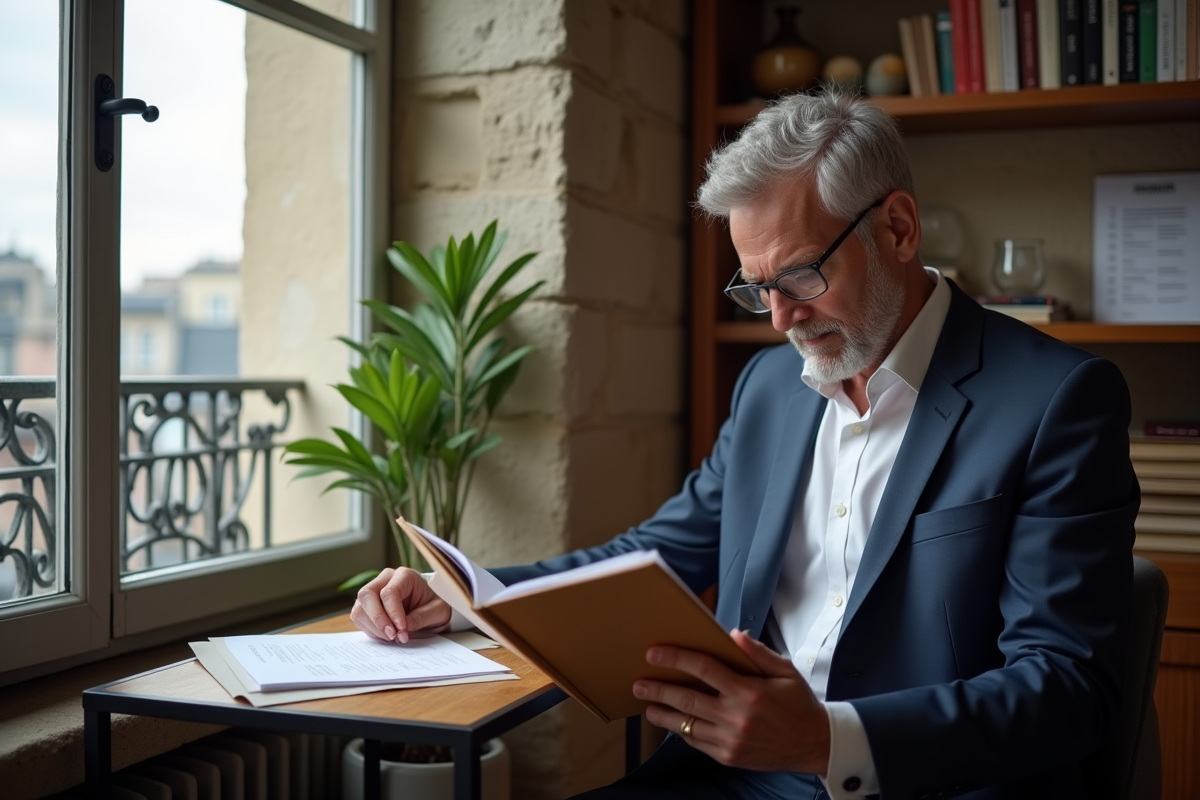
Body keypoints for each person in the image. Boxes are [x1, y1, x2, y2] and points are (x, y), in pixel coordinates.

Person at [351, 91, 1138, 800]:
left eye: (798, 276)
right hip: (736, 781)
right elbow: (652, 556)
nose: (778, 319)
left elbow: (1068, 687)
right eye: (754, 287)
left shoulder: (1055, 400)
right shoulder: (769, 387)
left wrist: (829, 739)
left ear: (897, 228)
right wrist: (467, 598)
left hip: (927, 785)